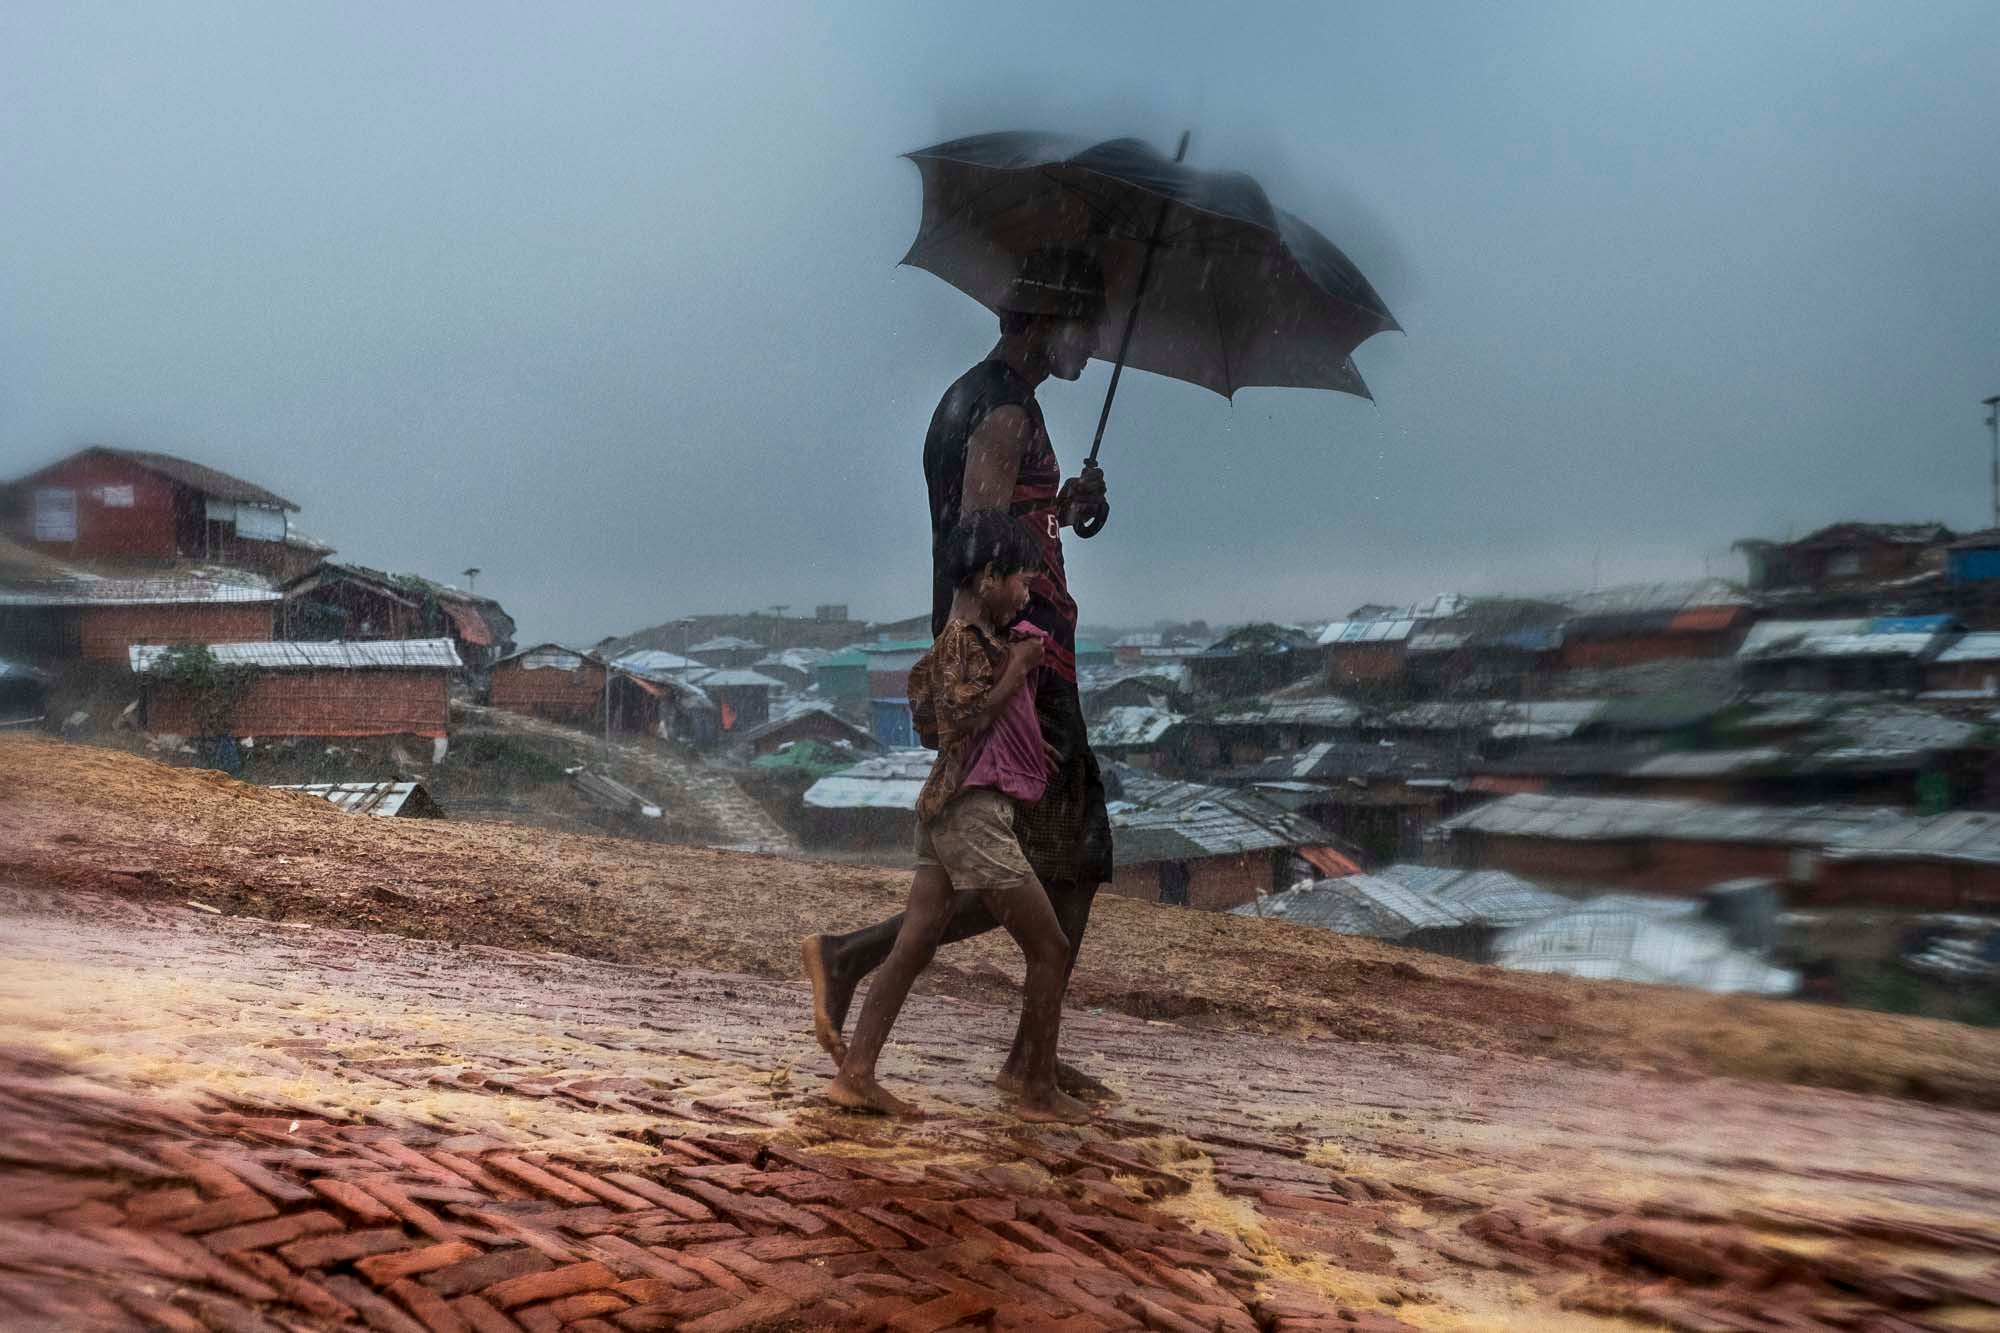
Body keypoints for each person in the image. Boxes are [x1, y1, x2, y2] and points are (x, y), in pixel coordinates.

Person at [804, 247, 1116, 1100]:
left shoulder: (976, 399)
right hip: (1029, 670)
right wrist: (1015, 663)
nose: (1091, 349)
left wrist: (1060, 508)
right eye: (1084, 329)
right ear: (1046, 323)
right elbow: (980, 547)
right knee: (1071, 859)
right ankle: (1027, 1063)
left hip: (1020, 663)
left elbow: (997, 527)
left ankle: (863, 965)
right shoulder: (1005, 412)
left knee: (1014, 865)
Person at [826, 510, 1090, 1124]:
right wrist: (1018, 673)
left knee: (914, 945)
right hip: (971, 814)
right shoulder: (961, 643)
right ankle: (1036, 1085)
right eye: (1022, 580)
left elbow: (981, 723)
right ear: (988, 576)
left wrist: (1025, 734)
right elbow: (958, 721)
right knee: (1050, 948)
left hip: (950, 807)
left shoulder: (983, 644)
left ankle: (856, 1075)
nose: (1026, 593)